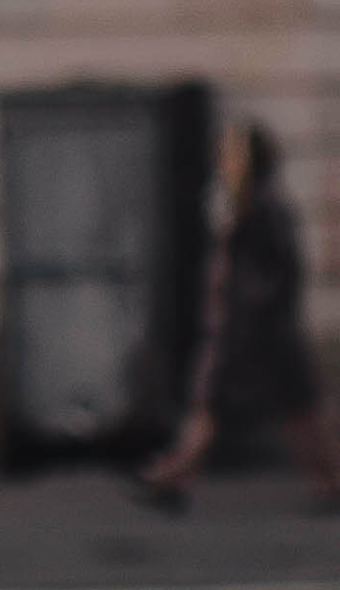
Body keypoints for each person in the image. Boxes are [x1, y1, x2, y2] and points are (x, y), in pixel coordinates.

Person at [138, 122, 340, 509]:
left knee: (237, 408)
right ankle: (173, 476)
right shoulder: (247, 203)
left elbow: (274, 273)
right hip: (258, 330)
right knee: (299, 409)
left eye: (230, 154)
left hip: (249, 331)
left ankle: (172, 476)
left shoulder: (261, 207)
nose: (223, 161)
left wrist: (247, 313)